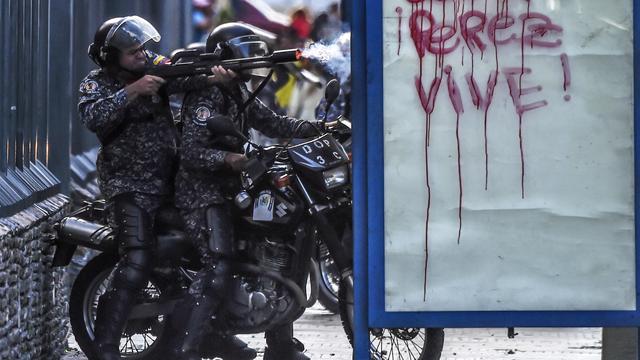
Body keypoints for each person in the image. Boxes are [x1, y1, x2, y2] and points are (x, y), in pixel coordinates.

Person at [77, 16, 232, 360]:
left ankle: (213, 335)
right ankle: (104, 346)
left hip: (170, 183)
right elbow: (92, 118)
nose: (143, 57)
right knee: (136, 260)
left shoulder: (155, 69)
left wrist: (216, 74)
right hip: (127, 186)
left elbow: (184, 75)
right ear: (110, 57)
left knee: (206, 256)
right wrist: (132, 91)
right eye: (133, 53)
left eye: (144, 50)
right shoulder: (96, 84)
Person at [171, 22, 319, 360]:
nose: (251, 60)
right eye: (245, 52)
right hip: (201, 193)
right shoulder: (206, 94)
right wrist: (230, 159)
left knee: (277, 252)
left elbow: (274, 122)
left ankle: (279, 346)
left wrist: (319, 127)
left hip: (234, 190)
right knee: (218, 265)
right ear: (226, 55)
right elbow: (191, 153)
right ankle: (187, 348)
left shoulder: (236, 90)